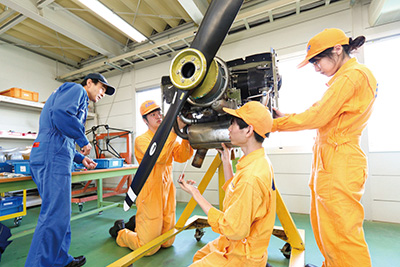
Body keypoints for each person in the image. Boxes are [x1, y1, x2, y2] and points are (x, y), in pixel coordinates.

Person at [272, 28, 378, 267]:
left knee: (343, 233)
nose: (316, 67)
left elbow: (318, 116)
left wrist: (274, 124)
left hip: (339, 159)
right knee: (327, 228)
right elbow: (323, 113)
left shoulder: (352, 77)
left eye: (317, 60)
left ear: (338, 49)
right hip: (330, 158)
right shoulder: (345, 79)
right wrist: (286, 116)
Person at [25, 73, 116, 267]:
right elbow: (60, 114)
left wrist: (81, 158)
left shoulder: (76, 100)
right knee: (54, 214)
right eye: (101, 87)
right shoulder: (77, 90)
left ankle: (59, 260)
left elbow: (61, 135)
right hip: (52, 158)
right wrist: (83, 140)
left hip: (53, 155)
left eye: (105, 91)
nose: (102, 93)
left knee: (61, 213)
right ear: (89, 82)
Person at [178, 101, 276, 266]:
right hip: (235, 243)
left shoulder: (251, 177)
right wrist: (226, 161)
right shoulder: (257, 161)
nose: (229, 129)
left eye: (233, 125)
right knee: (199, 256)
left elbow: (233, 229)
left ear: (249, 130)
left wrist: (196, 194)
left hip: (242, 254)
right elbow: (236, 193)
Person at [110, 100, 194, 255]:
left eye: (159, 113)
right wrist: (175, 131)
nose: (158, 117)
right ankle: (121, 233)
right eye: (153, 115)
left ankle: (139, 224)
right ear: (145, 120)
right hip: (150, 193)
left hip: (167, 191)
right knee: (148, 249)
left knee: (168, 242)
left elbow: (182, 156)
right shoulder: (142, 140)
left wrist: (186, 135)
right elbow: (159, 156)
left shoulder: (169, 137)